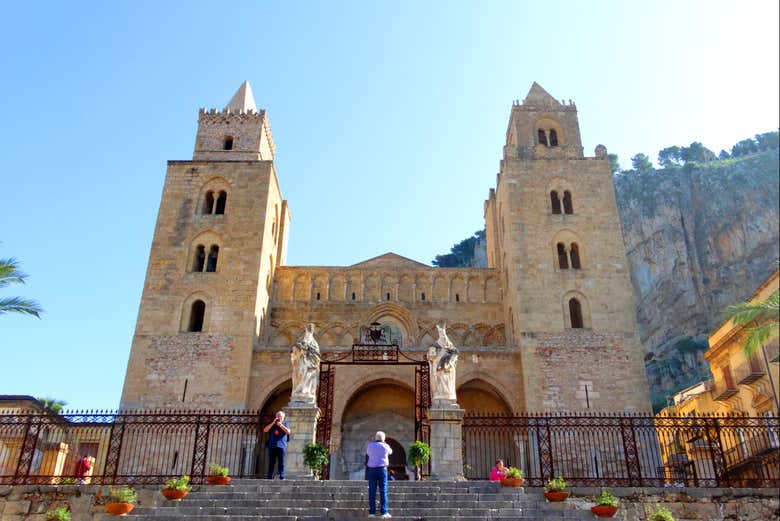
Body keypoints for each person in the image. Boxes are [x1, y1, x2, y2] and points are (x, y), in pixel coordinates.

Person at [366, 431, 393, 518]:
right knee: (383, 490)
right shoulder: (385, 446)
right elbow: (390, 452)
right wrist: (384, 443)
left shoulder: (370, 445)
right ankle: (384, 512)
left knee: (372, 491)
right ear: (384, 439)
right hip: (382, 469)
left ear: (375, 438)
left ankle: (372, 512)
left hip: (372, 469)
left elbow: (368, 453)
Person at [263, 411, 291, 479]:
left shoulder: (285, 424)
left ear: (283, 417)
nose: (278, 417)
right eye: (277, 415)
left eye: (280, 416)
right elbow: (265, 430)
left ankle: (282, 476)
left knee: (282, 462)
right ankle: (270, 476)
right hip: (272, 445)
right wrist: (273, 422)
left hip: (281, 446)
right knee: (271, 462)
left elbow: (288, 432)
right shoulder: (272, 424)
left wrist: (280, 425)